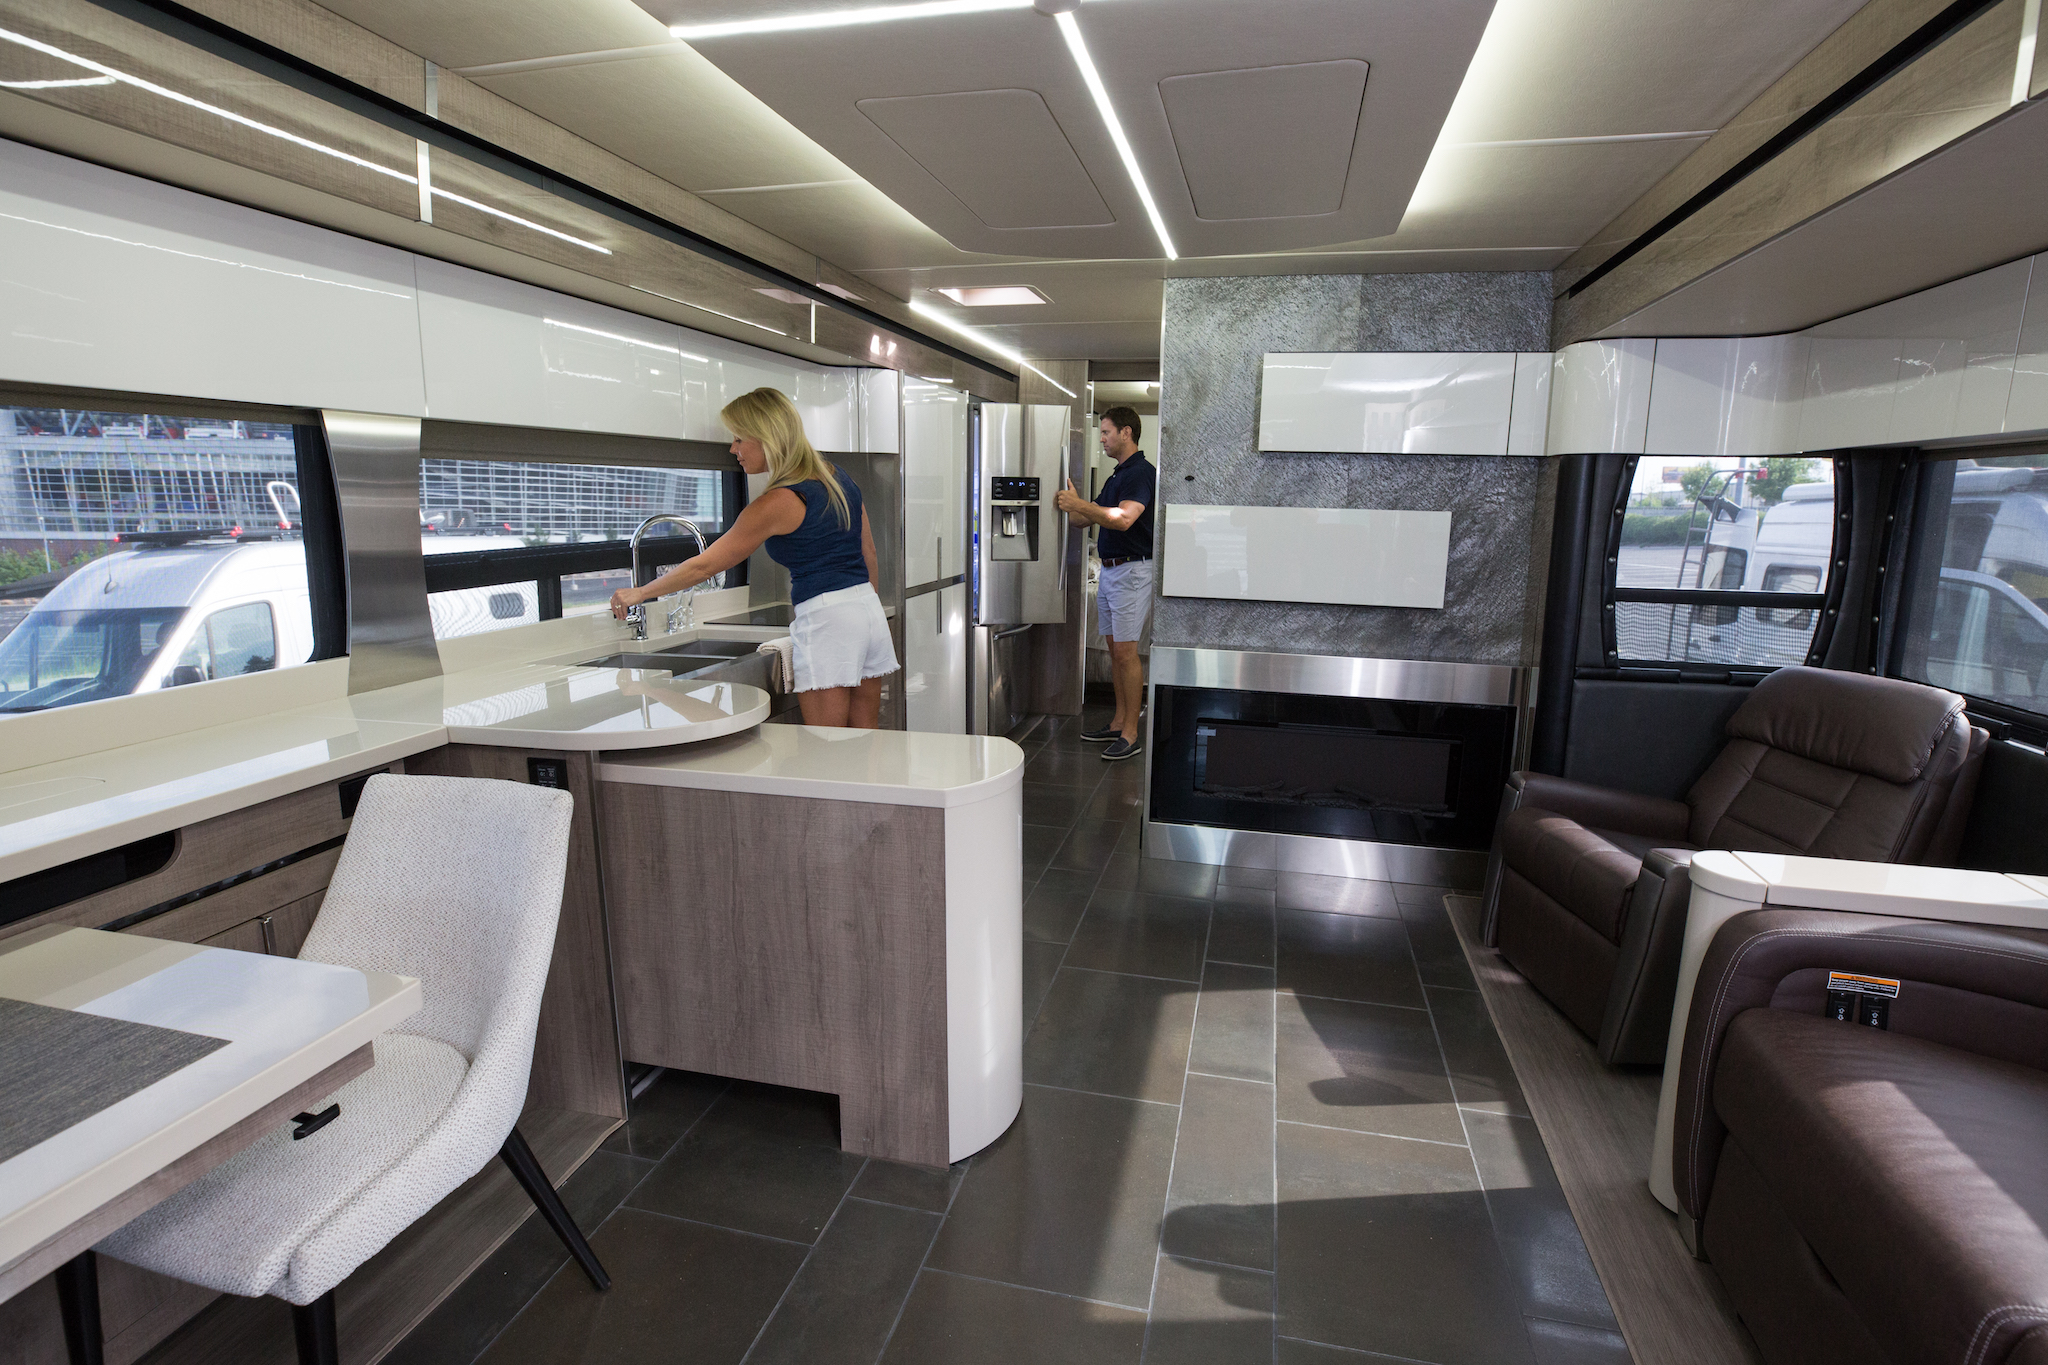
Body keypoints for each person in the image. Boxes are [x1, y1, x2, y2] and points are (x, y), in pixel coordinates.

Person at [610, 387, 897, 728]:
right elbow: (868, 552)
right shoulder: (836, 477)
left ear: (767, 438)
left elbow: (706, 565)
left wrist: (640, 592)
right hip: (867, 611)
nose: (733, 449)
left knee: (827, 744)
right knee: (866, 737)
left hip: (828, 620)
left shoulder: (777, 502)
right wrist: (860, 612)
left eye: (738, 439)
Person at [1054, 404, 1154, 761]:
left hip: (1131, 571)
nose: (1102, 439)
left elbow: (1124, 519)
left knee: (1126, 653)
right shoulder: (1117, 476)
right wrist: (1071, 506)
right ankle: (1118, 722)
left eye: (1106, 432)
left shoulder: (1140, 473)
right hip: (1112, 572)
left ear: (1127, 432)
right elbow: (1084, 519)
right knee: (1115, 652)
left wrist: (1080, 504)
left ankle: (1131, 734)